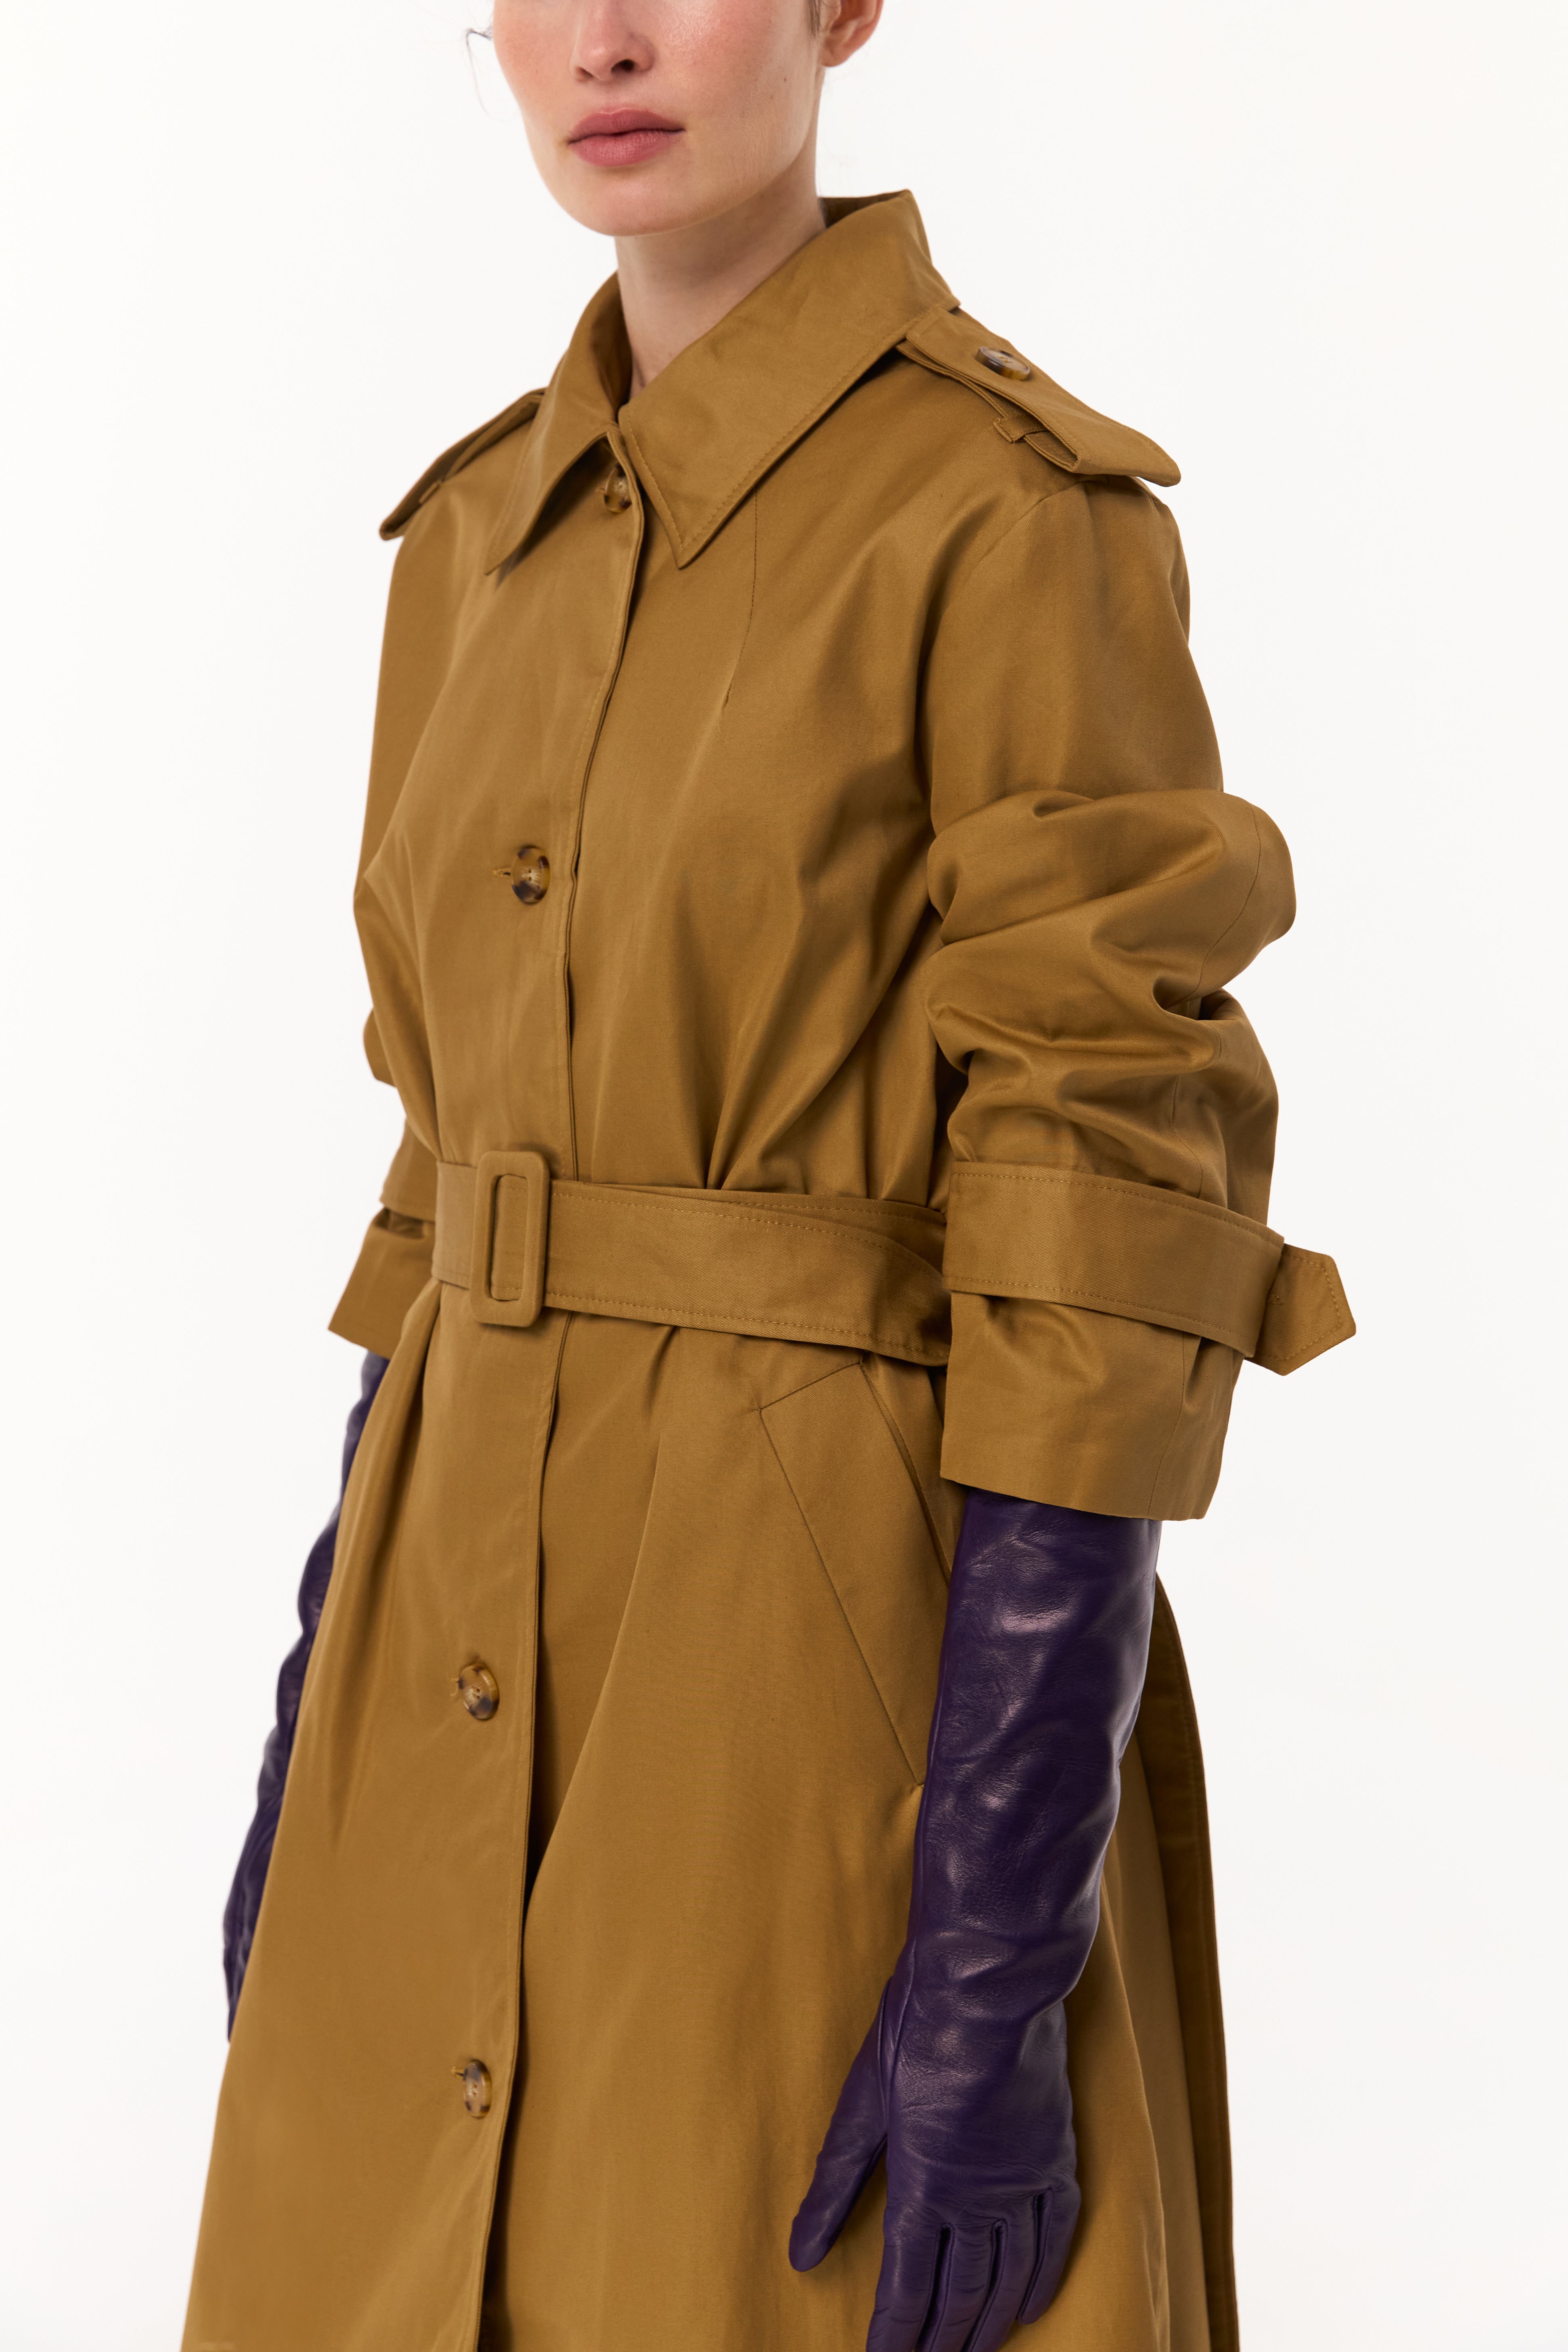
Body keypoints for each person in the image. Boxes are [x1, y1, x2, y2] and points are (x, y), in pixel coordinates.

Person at [184, 2, 1353, 2348]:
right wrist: (318, 1708)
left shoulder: (1011, 519)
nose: (607, 41)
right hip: (433, 1643)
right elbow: (439, 1162)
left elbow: (1106, 1225)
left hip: (811, 1677)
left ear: (842, 6)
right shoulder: (467, 546)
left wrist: (998, 1931)